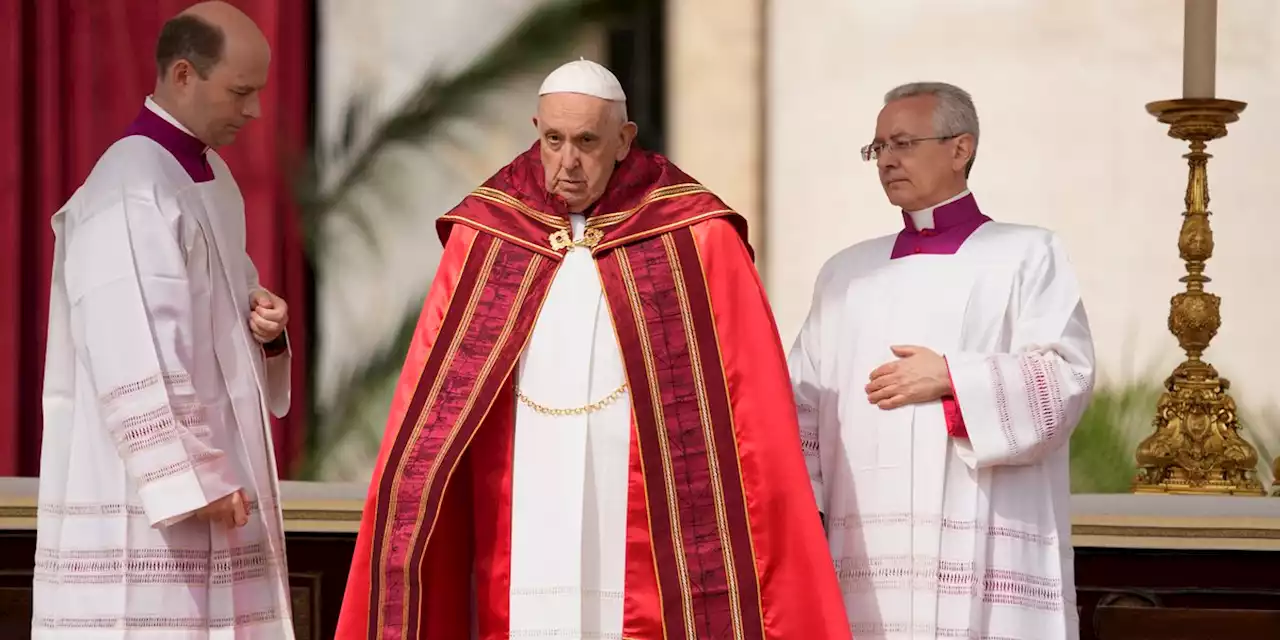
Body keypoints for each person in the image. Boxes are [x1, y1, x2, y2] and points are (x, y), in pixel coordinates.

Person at [336, 59, 850, 640]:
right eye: (552, 140)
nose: (568, 162)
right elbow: (438, 394)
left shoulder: (691, 231)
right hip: (523, 470)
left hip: (633, 480)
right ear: (536, 128)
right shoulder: (491, 230)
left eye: (587, 142)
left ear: (624, 140)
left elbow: (748, 393)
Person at [790, 81, 1096, 640]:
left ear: (961, 149)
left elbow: (1065, 379)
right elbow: (799, 405)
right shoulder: (844, 273)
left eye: (902, 143)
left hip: (984, 528)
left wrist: (954, 378)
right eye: (877, 148)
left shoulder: (1027, 254)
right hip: (865, 545)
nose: (886, 160)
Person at [35, 3, 295, 637]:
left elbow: (213, 311)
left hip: (213, 478)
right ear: (184, 75)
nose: (253, 111)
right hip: (152, 498)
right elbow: (132, 342)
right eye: (240, 91)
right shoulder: (129, 184)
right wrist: (194, 476)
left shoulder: (212, 177)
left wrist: (266, 325)